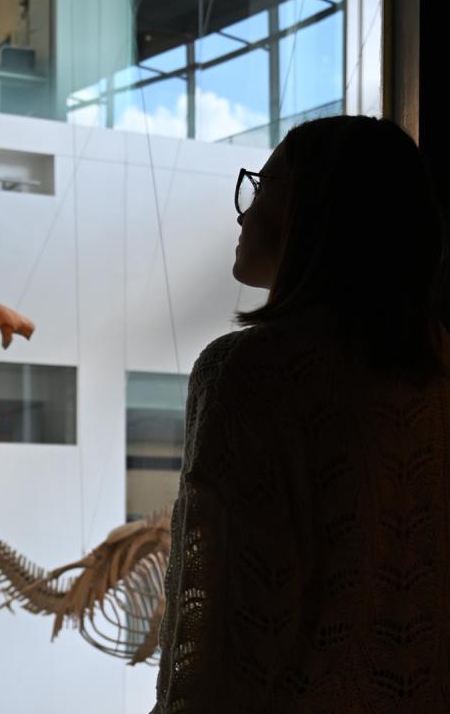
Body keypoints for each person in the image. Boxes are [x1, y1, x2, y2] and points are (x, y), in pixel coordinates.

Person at [150, 115, 450, 713]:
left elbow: (222, 649)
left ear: (315, 213)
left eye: (262, 188)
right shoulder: (439, 365)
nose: (242, 213)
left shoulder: (246, 372)